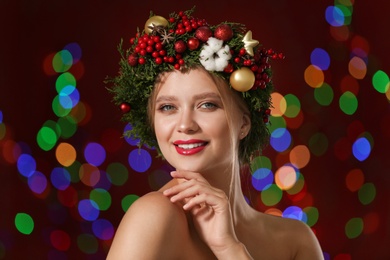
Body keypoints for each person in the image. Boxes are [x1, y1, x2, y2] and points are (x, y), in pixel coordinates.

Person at [107, 8, 324, 259]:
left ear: (244, 123)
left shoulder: (295, 240)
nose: (185, 125)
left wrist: (229, 248)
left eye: (207, 105)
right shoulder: (154, 216)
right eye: (168, 107)